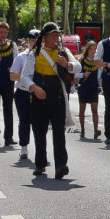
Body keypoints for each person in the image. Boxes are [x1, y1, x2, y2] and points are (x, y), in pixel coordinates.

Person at [20, 22, 80, 179]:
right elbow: (24, 77)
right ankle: (40, 164)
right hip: (40, 99)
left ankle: (61, 166)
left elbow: (78, 66)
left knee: (59, 133)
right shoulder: (34, 54)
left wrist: (68, 64)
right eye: (52, 35)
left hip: (58, 98)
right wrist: (34, 87)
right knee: (39, 132)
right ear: (45, 37)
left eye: (57, 35)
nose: (55, 38)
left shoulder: (64, 52)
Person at [10, 32, 35, 160]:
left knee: (40, 122)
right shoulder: (21, 57)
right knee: (24, 121)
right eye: (32, 40)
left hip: (38, 93)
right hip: (23, 91)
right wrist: (26, 77)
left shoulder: (44, 57)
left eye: (38, 40)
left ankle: (41, 150)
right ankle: (24, 147)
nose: (35, 43)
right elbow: (12, 75)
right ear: (28, 41)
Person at [76, 40, 101, 139]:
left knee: (94, 109)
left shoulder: (97, 61)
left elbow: (100, 74)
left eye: (95, 49)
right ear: (87, 49)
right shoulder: (81, 60)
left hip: (94, 86)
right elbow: (75, 74)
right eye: (91, 49)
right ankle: (82, 130)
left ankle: (95, 130)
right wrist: (83, 74)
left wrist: (100, 85)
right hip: (84, 86)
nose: (93, 51)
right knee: (82, 109)